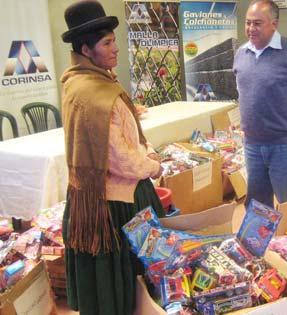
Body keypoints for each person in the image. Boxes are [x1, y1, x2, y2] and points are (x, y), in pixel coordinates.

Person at [60, 1, 164, 314]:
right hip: (118, 204)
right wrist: (154, 165)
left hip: (89, 198)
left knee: (111, 284)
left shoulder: (77, 83)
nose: (116, 48)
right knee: (129, 282)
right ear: (86, 49)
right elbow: (123, 161)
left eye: (113, 40)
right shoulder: (97, 95)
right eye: (107, 43)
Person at [233, 0, 287, 208]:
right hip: (252, 144)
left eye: (258, 23)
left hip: (284, 145)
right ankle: (261, 241)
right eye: (248, 23)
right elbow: (243, 92)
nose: (251, 29)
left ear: (274, 24)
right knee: (257, 204)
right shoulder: (241, 54)